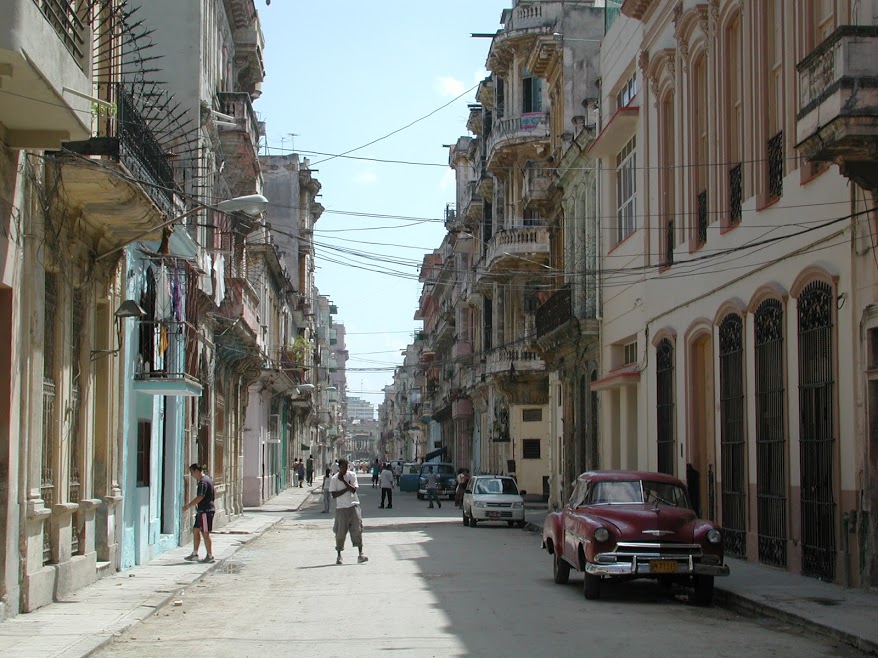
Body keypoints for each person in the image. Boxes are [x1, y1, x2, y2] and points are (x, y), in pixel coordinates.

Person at [329, 458, 368, 565]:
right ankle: (339, 555)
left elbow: (354, 490)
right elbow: (334, 494)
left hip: (353, 506)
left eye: (346, 467)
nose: (345, 469)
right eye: (342, 467)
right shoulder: (334, 479)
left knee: (358, 530)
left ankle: (360, 554)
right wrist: (347, 488)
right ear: (339, 467)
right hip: (341, 508)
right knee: (340, 532)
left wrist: (344, 482)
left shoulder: (352, 475)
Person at [183, 463, 216, 563]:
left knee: (205, 533)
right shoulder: (208, 480)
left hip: (205, 511)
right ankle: (194, 554)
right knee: (196, 530)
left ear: (196, 471)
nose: (192, 475)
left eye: (192, 472)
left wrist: (188, 506)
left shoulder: (203, 482)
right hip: (201, 511)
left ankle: (210, 556)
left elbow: (200, 497)